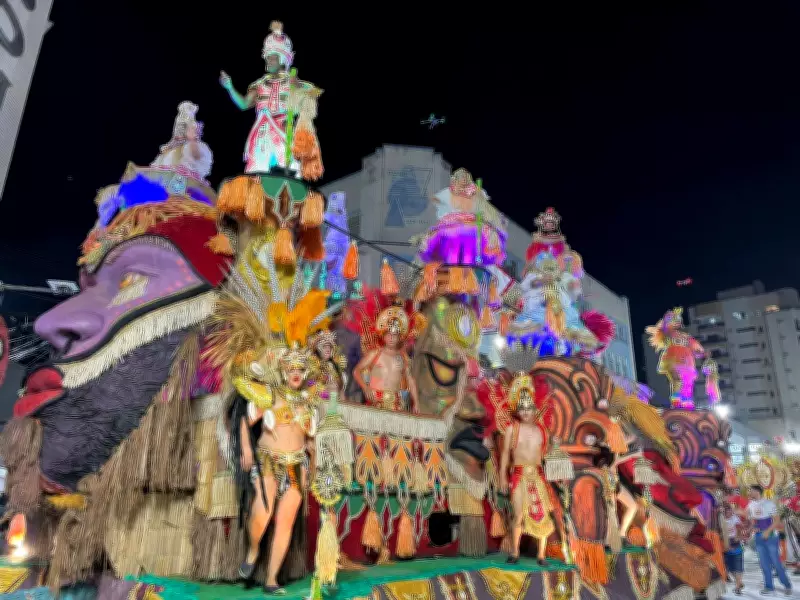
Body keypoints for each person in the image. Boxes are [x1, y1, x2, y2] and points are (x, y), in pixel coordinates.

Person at [499, 371, 556, 565]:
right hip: (519, 475)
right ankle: (514, 552)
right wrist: (501, 478)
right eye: (522, 408)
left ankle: (541, 555)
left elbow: (546, 455)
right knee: (519, 514)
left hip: (538, 476)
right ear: (516, 409)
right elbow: (505, 454)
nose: (525, 411)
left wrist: (555, 447)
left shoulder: (542, 431)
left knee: (544, 514)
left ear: (535, 409)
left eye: (529, 407)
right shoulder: (511, 429)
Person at [353, 303, 419, 413]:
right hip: (375, 401)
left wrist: (416, 402)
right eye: (389, 334)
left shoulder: (403, 357)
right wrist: (365, 387)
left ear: (400, 337)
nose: (391, 338)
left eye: (395, 335)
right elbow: (356, 371)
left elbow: (411, 380)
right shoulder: (375, 353)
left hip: (396, 403)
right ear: (383, 335)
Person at [742, 484, 792, 596]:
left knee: (776, 562)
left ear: (757, 492)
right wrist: (749, 529)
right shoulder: (751, 505)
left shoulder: (769, 503)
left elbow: (777, 521)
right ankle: (769, 586)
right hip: (759, 537)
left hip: (771, 536)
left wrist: (768, 531)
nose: (749, 493)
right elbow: (753, 521)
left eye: (751, 491)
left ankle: (787, 585)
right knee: (764, 563)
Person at [723, 503, 745, 596]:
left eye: (731, 510)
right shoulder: (720, 519)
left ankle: (738, 586)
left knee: (738, 566)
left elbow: (740, 528)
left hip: (736, 544)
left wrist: (738, 537)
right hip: (724, 544)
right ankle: (738, 581)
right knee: (729, 568)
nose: (730, 512)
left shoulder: (735, 518)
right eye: (728, 510)